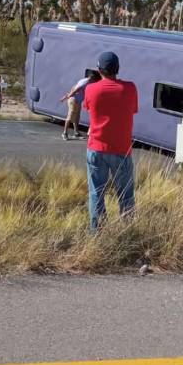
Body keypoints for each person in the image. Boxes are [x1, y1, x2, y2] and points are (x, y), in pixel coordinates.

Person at [83, 51, 138, 232]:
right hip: (121, 149)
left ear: (99, 70)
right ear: (118, 69)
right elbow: (133, 110)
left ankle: (97, 234)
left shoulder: (91, 89)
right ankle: (128, 232)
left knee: (97, 193)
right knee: (125, 194)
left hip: (97, 147)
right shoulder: (130, 88)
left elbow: (88, 108)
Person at [61, 70, 99, 140]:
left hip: (78, 101)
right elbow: (75, 89)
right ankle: (65, 133)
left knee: (77, 117)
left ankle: (76, 133)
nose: (95, 81)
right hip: (73, 100)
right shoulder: (85, 82)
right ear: (92, 77)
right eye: (95, 79)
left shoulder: (89, 82)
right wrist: (67, 96)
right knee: (70, 116)